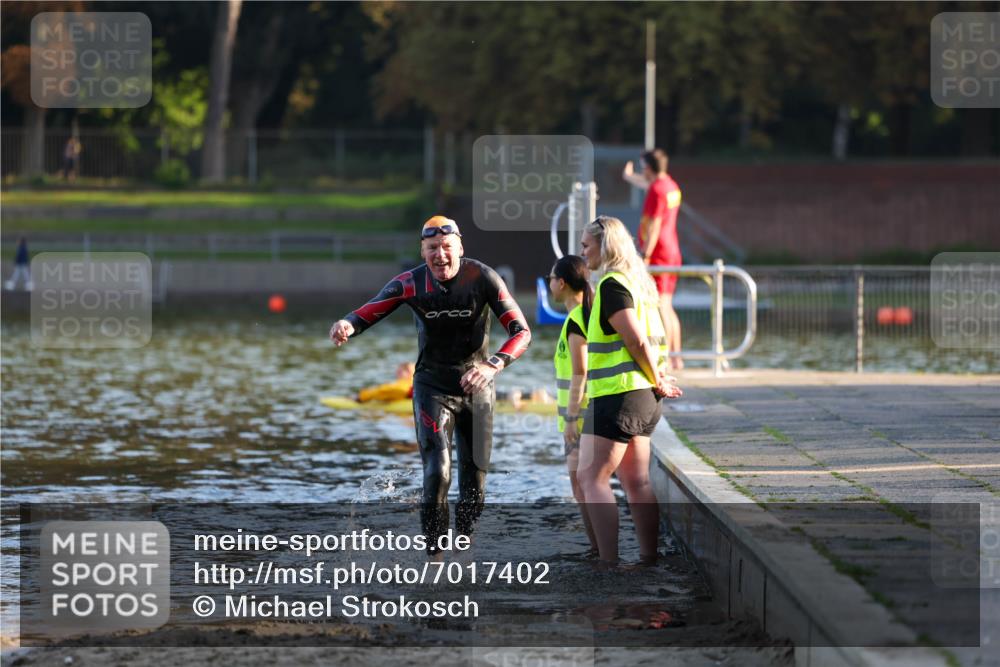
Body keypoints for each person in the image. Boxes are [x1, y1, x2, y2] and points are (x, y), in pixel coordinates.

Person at [329, 216, 531, 555]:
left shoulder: (482, 277)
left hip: (477, 386)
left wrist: (492, 365)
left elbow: (522, 332)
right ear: (423, 252)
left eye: (447, 247)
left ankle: (463, 549)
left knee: (474, 485)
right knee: (437, 472)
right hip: (432, 386)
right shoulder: (411, 283)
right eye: (432, 248)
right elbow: (369, 311)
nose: (440, 255)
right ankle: (434, 559)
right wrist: (346, 324)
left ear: (460, 248)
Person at [576, 216, 682, 568]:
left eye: (586, 246)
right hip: (645, 399)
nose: (582, 253)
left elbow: (634, 339)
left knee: (591, 478)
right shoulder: (642, 283)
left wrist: (658, 378)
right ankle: (649, 559)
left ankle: (608, 563)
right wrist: (658, 379)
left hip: (619, 395)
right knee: (637, 481)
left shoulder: (611, 284)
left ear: (605, 247)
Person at [548, 255, 598, 556]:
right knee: (581, 487)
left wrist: (570, 418)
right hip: (578, 417)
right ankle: (597, 549)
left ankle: (600, 551)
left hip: (579, 418)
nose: (549, 282)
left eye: (551, 277)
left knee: (584, 487)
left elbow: (580, 371)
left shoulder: (578, 319)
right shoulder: (577, 317)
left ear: (562, 283)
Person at [623, 149, 684, 370]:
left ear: (648, 168)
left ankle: (666, 358)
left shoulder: (656, 190)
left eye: (642, 167)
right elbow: (646, 183)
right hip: (672, 250)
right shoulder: (670, 186)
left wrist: (646, 256)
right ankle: (677, 357)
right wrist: (629, 177)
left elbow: (654, 225)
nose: (641, 171)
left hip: (659, 253)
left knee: (661, 306)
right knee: (668, 305)